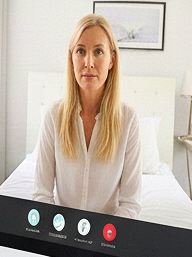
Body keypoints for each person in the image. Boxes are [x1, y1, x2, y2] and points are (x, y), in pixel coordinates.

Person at [33, 12, 141, 218]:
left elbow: (130, 204)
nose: (88, 62)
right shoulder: (52, 116)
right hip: (61, 230)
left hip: (108, 235)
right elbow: (42, 194)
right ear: (72, 58)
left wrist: (103, 240)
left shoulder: (128, 119)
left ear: (111, 60)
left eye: (98, 51)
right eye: (81, 51)